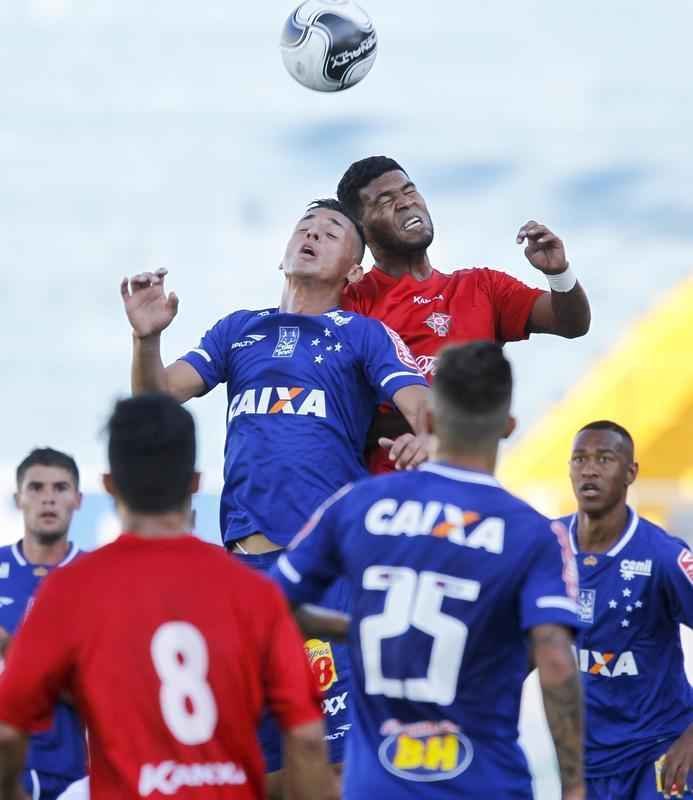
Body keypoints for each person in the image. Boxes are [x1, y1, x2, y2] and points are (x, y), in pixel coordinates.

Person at [120, 199, 430, 792]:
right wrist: (146, 340)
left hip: (324, 572)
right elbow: (154, 400)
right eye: (305, 227)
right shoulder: (239, 329)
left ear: (355, 271)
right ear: (283, 251)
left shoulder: (362, 335)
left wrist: (425, 438)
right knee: (256, 767)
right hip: (245, 576)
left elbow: (422, 407)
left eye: (332, 231)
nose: (313, 234)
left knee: (331, 759)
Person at [270, 341, 586, 799]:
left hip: (375, 786)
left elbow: (271, 603)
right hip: (486, 785)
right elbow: (556, 660)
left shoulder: (359, 505)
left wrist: (355, 628)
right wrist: (574, 787)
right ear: (508, 427)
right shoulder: (533, 533)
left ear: (431, 422)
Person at [0, 394, 331, 800]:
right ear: (194, 483)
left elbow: (7, 734)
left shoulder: (72, 589)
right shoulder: (256, 593)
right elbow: (308, 740)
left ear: (109, 485)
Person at [336, 155, 592, 473]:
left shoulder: (482, 286)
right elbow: (336, 410)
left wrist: (559, 274)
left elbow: (572, 323)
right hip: (386, 497)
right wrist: (421, 426)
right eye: (386, 200)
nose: (405, 203)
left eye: (409, 190)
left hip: (469, 492)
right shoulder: (351, 301)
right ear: (362, 231)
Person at [564, 421, 693, 799]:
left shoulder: (665, 556)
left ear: (631, 472)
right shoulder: (547, 545)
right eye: (579, 459)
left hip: (661, 753)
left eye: (604, 459)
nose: (589, 469)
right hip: (587, 764)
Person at [0, 448, 87, 800]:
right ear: (18, 498)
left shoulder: (98, 575)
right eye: (36, 487)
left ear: (78, 499)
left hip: (75, 775)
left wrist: (13, 651)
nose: (48, 498)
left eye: (60, 488)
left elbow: (111, 688)